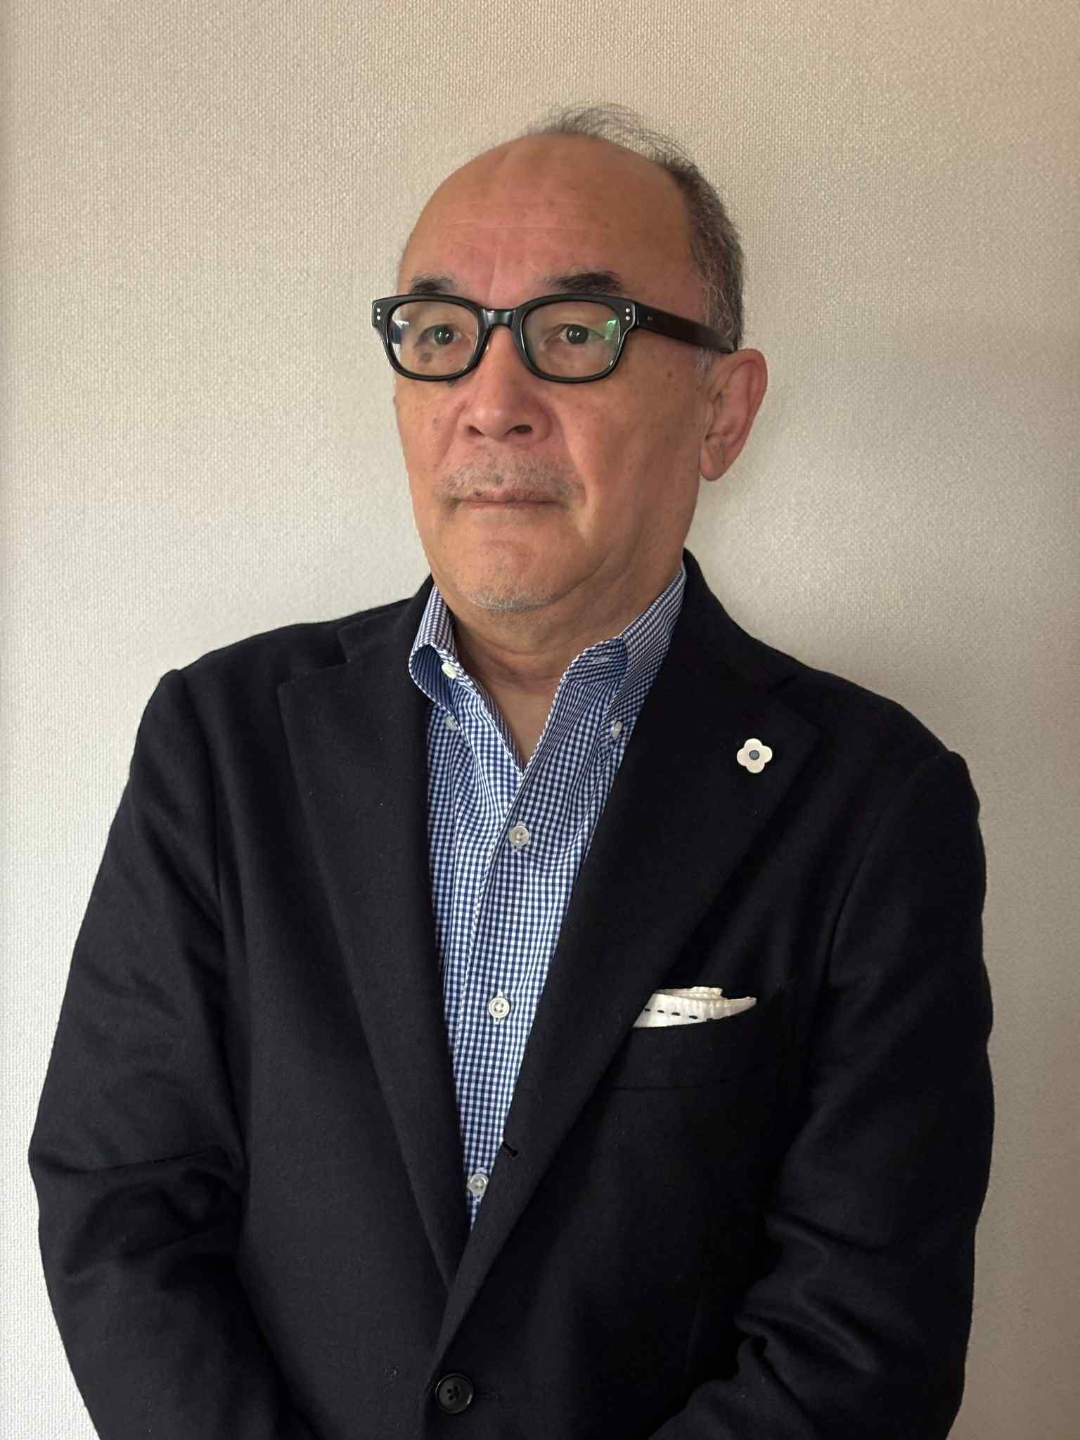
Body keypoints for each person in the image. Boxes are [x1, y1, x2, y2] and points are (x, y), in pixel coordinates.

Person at [28, 103, 995, 1440]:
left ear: (721, 409)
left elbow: (862, 1340)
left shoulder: (872, 804)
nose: (492, 403)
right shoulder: (226, 742)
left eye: (575, 333)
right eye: (441, 335)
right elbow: (121, 1207)